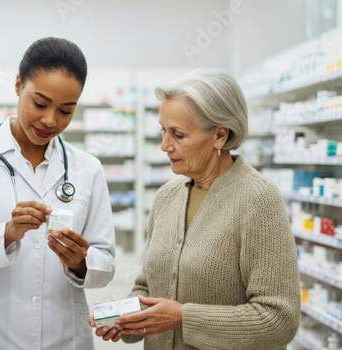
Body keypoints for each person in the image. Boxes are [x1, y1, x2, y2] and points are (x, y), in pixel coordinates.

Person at [90, 68, 300, 350]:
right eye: (163, 131)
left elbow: (279, 320)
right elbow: (147, 286)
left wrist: (181, 318)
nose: (165, 145)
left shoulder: (258, 200)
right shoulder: (167, 197)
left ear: (220, 136)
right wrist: (126, 316)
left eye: (178, 135)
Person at [0, 37, 116, 350]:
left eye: (65, 111)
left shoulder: (88, 168)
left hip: (64, 336)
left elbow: (107, 264)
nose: (50, 121)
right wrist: (6, 234)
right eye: (40, 104)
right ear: (18, 85)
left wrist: (81, 262)